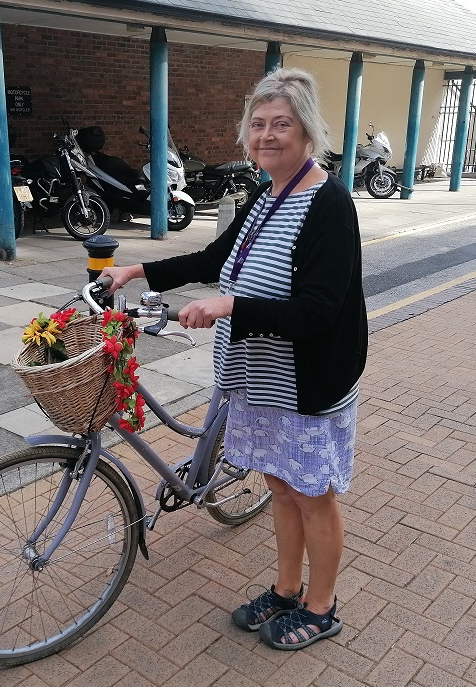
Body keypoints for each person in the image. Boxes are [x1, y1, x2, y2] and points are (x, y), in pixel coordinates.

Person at [100, 68, 367, 651]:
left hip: (307, 382)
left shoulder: (329, 203)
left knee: (311, 494)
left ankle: (321, 608)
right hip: (257, 377)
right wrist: (139, 269)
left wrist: (230, 307)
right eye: (258, 124)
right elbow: (213, 255)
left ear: (307, 133)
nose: (267, 135)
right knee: (278, 484)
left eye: (282, 124)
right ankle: (286, 589)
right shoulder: (264, 194)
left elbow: (319, 310)